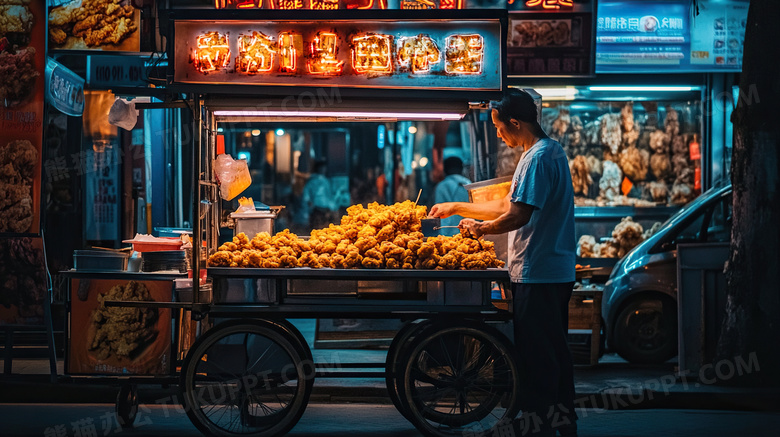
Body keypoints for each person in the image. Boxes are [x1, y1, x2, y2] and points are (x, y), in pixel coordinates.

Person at [428, 88, 577, 437]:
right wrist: (457, 207)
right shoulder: (544, 153)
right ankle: (562, 421)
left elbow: (518, 216)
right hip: (550, 271)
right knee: (553, 351)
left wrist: (482, 229)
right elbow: (508, 205)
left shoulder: (539, 158)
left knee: (539, 356)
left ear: (515, 122)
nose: (497, 133)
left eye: (498, 127)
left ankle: (538, 424)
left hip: (539, 273)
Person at [433, 156, 472, 236]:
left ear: (445, 169)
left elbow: (436, 213)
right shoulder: (469, 184)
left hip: (447, 231)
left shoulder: (442, 186)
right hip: (469, 228)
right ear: (462, 168)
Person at [300, 160, 338, 230]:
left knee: (326, 228)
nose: (323, 170)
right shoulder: (312, 181)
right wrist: (309, 203)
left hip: (326, 208)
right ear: (317, 169)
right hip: (316, 208)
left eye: (324, 168)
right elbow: (306, 194)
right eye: (321, 168)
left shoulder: (326, 181)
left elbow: (329, 195)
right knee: (317, 228)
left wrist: (333, 207)